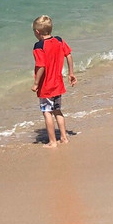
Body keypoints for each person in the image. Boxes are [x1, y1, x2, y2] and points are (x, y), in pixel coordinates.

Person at [31, 14, 77, 147]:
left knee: (47, 112)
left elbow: (41, 66)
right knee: (57, 110)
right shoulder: (59, 40)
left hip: (46, 86)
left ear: (37, 32)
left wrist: (35, 83)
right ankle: (64, 137)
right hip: (58, 83)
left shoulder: (39, 46)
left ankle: (52, 142)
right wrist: (71, 73)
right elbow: (68, 55)